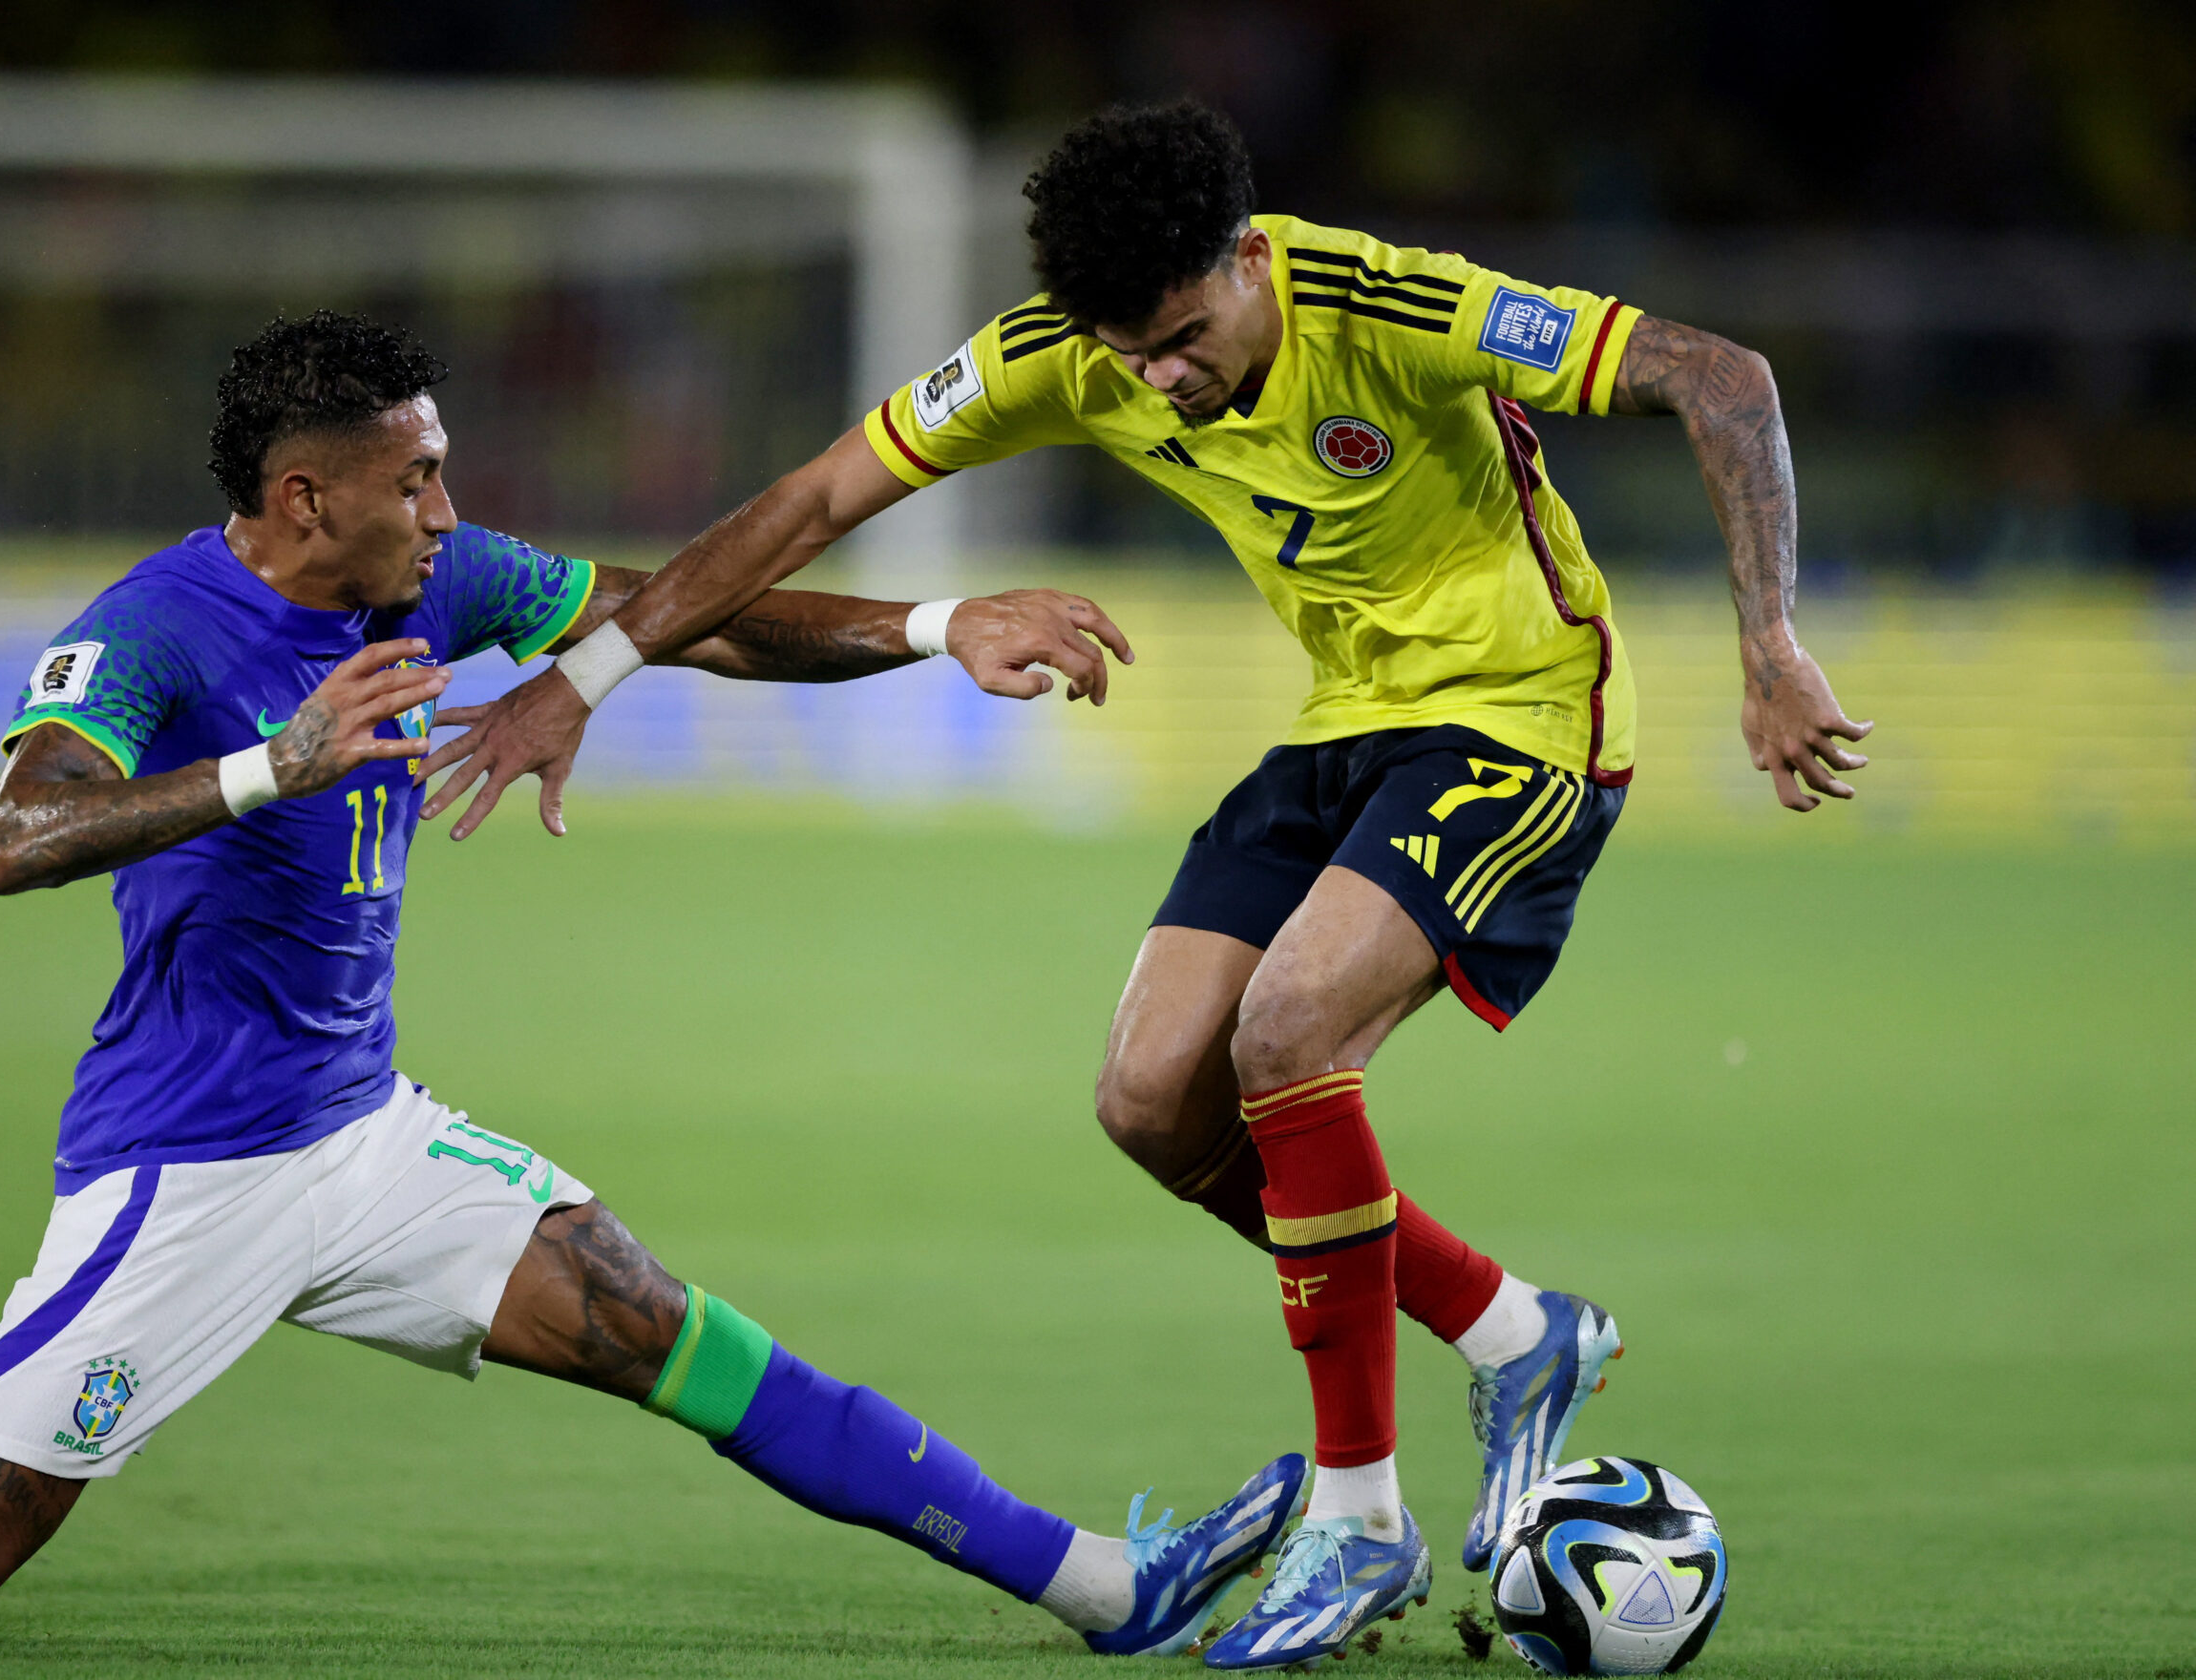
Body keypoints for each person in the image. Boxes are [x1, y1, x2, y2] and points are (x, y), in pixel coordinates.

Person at [414, 102, 1873, 1670]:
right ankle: (1519, 1334)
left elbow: (1721, 376)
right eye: (1127, 352)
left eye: (1181, 336)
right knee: (1148, 1096)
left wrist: (1770, 643)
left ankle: (1358, 1518)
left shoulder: (1395, 306)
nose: (1157, 379)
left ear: (1251, 260)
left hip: (1525, 718)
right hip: (1347, 728)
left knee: (1288, 1029)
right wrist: (598, 673)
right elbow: (817, 500)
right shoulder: (1065, 348)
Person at [0, 311, 1299, 1657]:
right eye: (413, 479)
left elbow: (685, 618)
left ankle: (1110, 1588)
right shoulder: (155, 628)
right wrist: (263, 770)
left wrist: (938, 624)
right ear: (305, 496)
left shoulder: (440, 580)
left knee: (648, 1316)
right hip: (189, 1171)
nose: (446, 508)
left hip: (364, 1139)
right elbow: (11, 839)